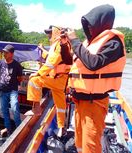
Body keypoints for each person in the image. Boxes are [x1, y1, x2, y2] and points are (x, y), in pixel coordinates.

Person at [66, 4, 126, 153]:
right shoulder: (89, 44)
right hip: (80, 101)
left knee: (90, 146)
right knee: (80, 143)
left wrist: (74, 41)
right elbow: (70, 62)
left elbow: (93, 64)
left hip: (94, 103)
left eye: (92, 25)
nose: (90, 29)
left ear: (101, 23)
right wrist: (64, 44)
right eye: (88, 26)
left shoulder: (114, 43)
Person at [26, 25, 73, 136]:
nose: (48, 36)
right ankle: (61, 127)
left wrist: (38, 73)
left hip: (57, 79)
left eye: (50, 33)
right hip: (60, 80)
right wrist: (42, 49)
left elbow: (51, 62)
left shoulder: (60, 44)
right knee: (60, 105)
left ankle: (36, 109)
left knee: (34, 80)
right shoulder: (59, 44)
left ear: (55, 33)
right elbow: (50, 57)